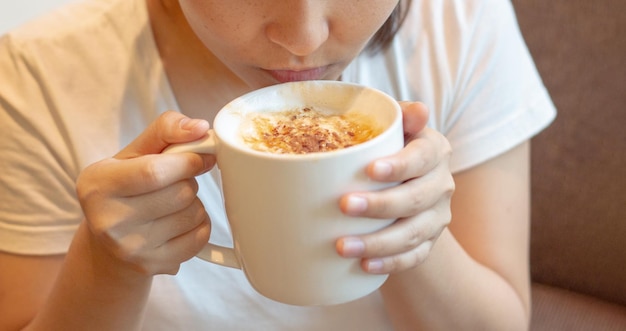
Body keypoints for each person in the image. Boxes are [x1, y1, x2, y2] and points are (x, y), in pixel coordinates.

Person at [0, 0, 556, 330]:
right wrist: (106, 268)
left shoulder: (458, 25)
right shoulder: (37, 80)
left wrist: (412, 238)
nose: (303, 38)